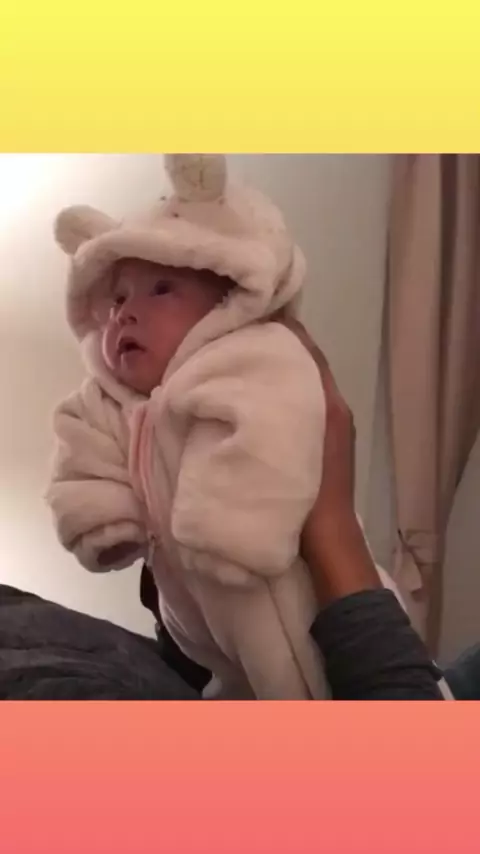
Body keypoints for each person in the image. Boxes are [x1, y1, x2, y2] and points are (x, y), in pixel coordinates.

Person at [46, 153, 414, 701]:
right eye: (117, 298)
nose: (125, 313)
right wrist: (104, 520)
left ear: (226, 302)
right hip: (204, 625)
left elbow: (276, 426)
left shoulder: (251, 356)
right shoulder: (111, 403)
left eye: (161, 289)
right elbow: (82, 453)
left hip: (288, 592)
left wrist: (231, 527)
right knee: (232, 682)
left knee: (300, 684)